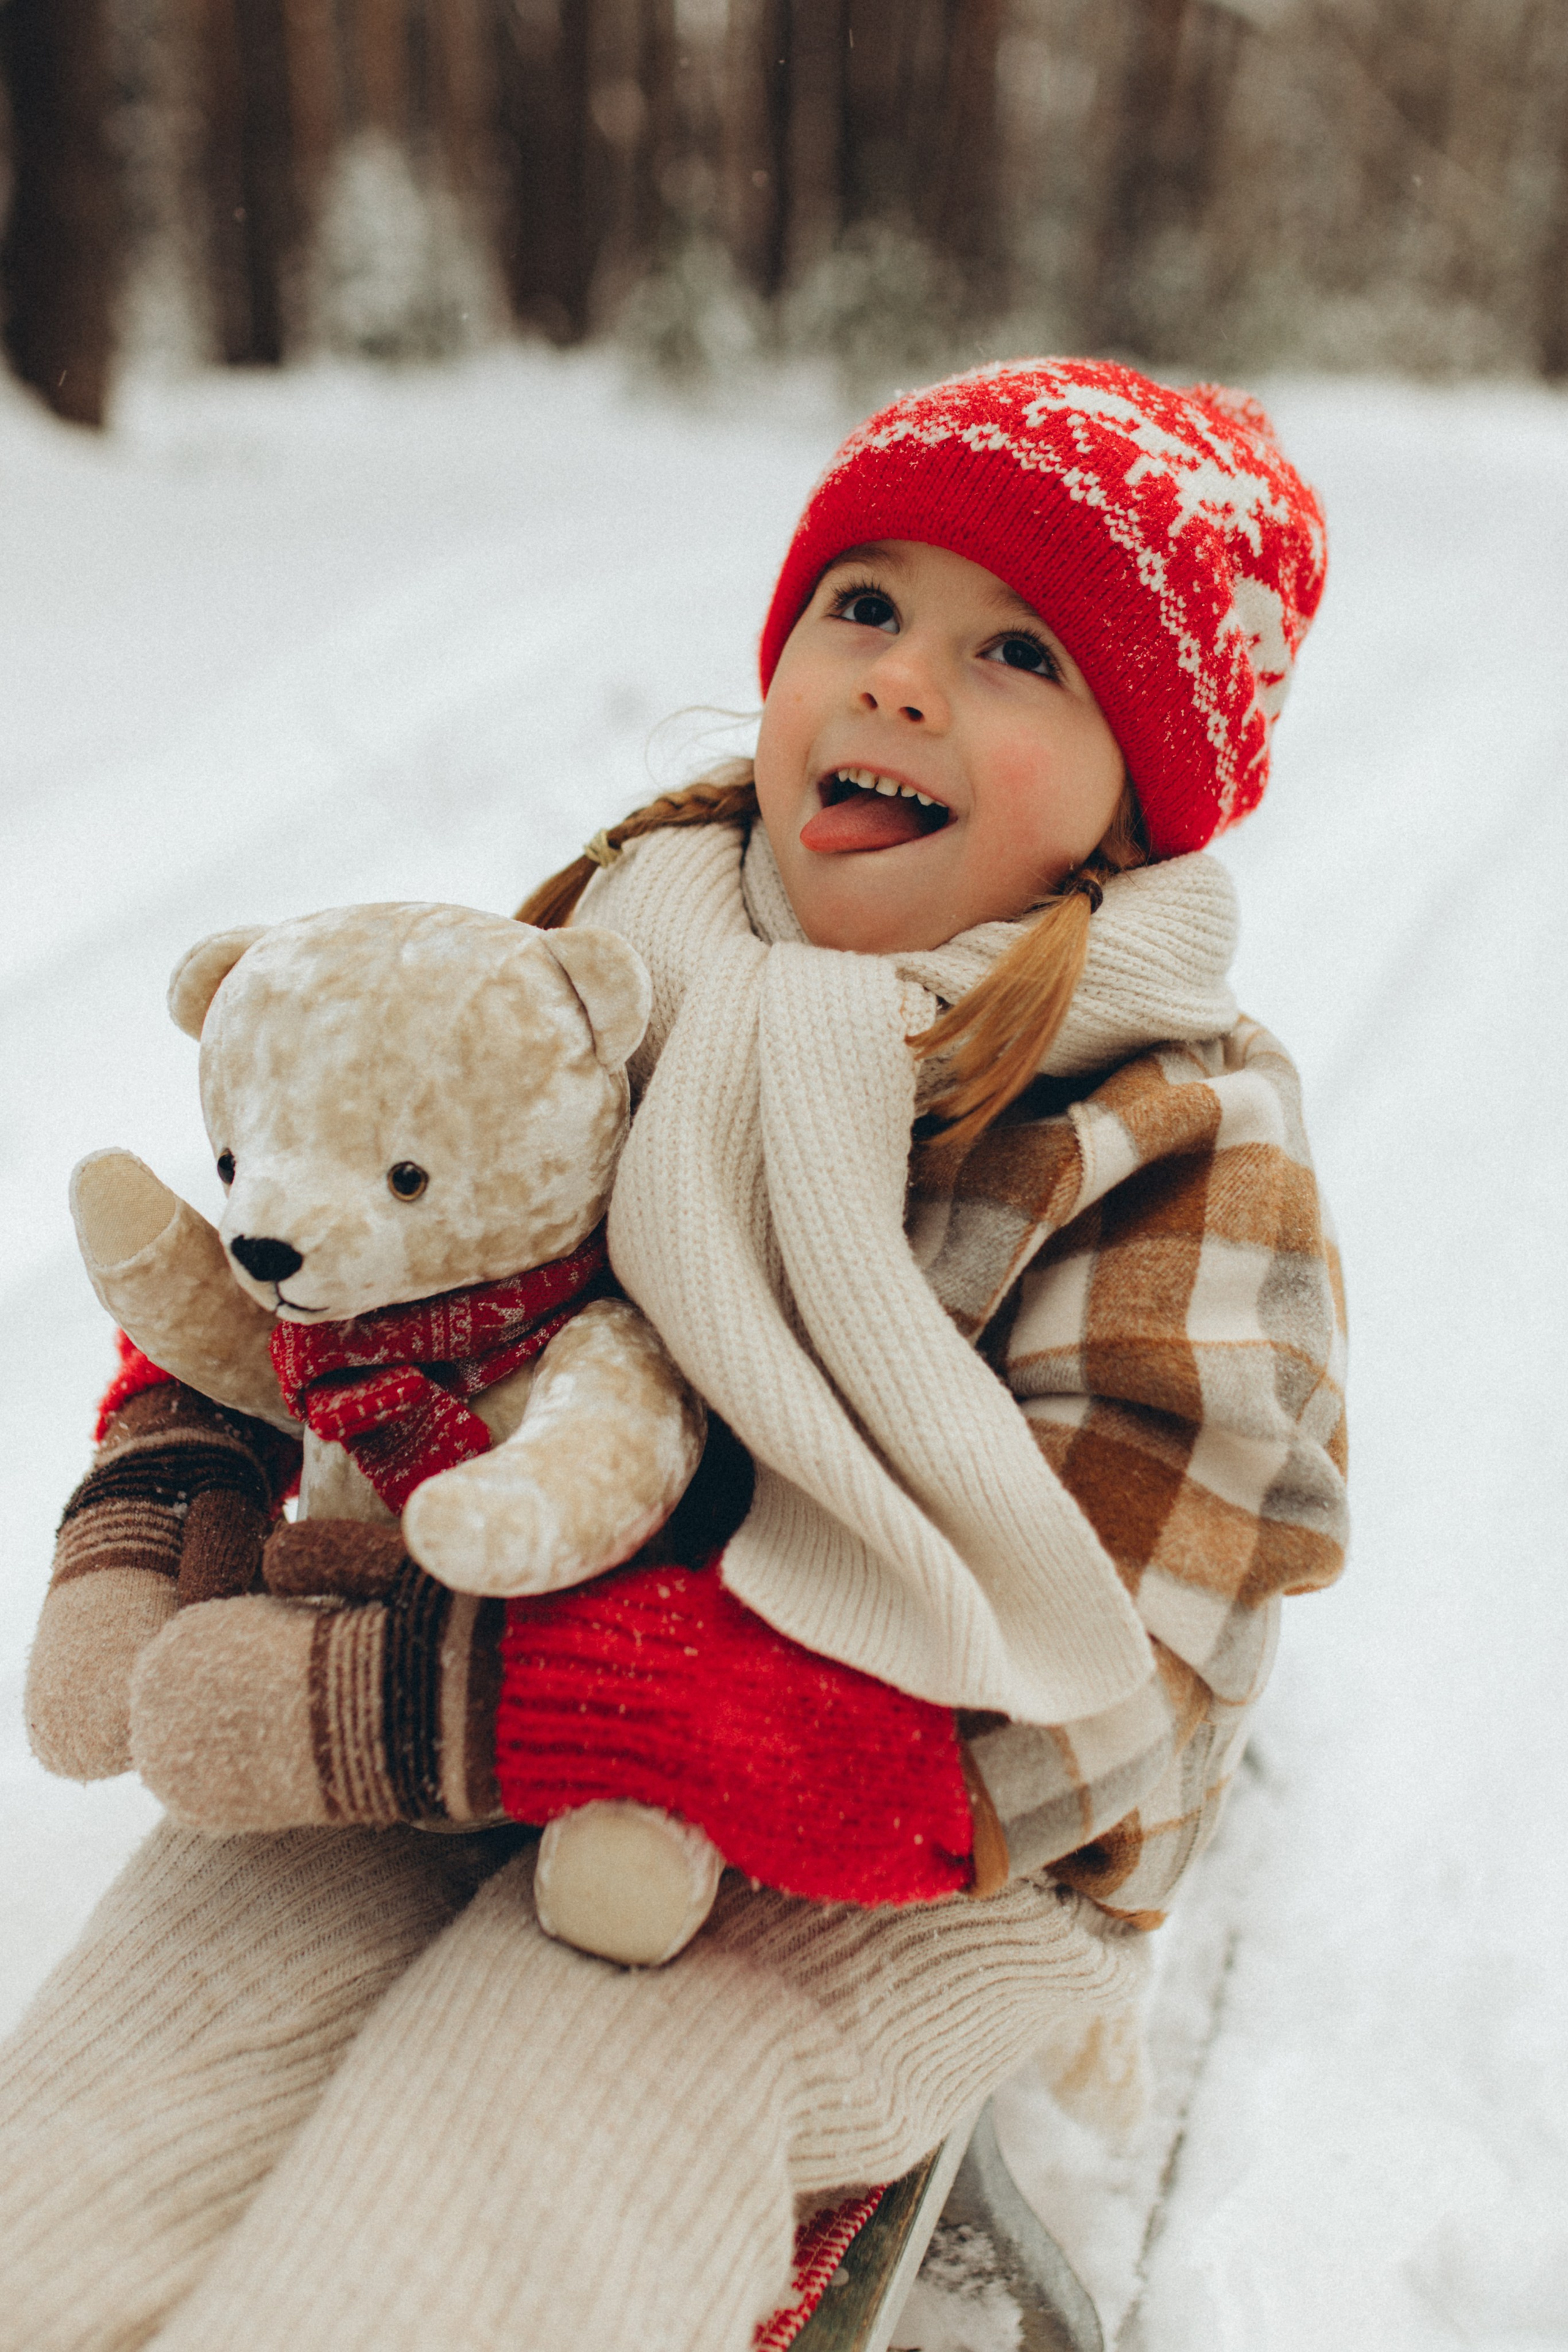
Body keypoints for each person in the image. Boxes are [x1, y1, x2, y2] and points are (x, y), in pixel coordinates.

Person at [0, 358, 1347, 2352]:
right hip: (470, 1643)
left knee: (545, 2124)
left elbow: (1105, 1690)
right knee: (132, 2081)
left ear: (1134, 795)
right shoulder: (612, 946)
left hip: (923, 1826)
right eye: (864, 605)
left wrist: (446, 1710)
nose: (902, 681)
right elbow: (350, 1256)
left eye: (1020, 652)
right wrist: (171, 1500)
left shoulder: (1168, 1128)